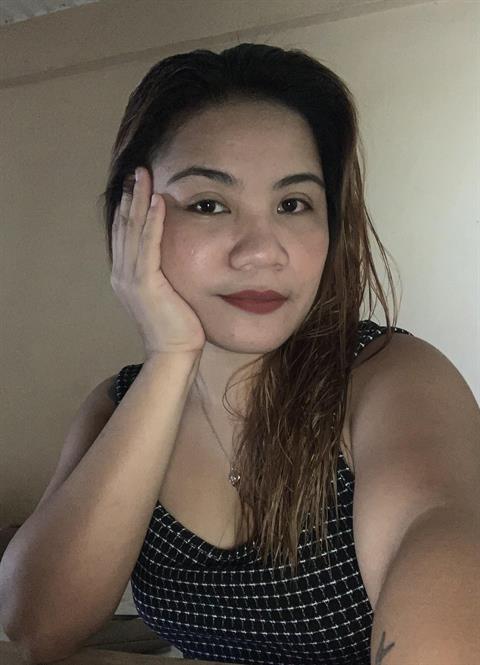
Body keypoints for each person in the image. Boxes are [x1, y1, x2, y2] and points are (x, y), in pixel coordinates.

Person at [0, 43, 421, 664]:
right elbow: (37, 628)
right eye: (208, 204)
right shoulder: (118, 404)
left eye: (293, 204)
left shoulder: (387, 376)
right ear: (132, 221)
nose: (262, 251)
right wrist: (170, 357)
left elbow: (437, 547)